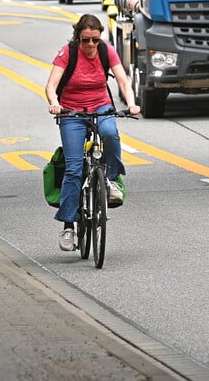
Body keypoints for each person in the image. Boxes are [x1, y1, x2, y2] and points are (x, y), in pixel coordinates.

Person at [45, 14, 141, 252]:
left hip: (100, 106)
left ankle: (110, 180)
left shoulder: (106, 51)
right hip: (71, 111)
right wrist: (55, 103)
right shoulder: (68, 52)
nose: (90, 45)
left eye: (95, 40)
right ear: (78, 37)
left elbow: (122, 80)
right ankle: (68, 226)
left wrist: (131, 103)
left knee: (110, 133)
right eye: (85, 40)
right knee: (74, 168)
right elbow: (51, 85)